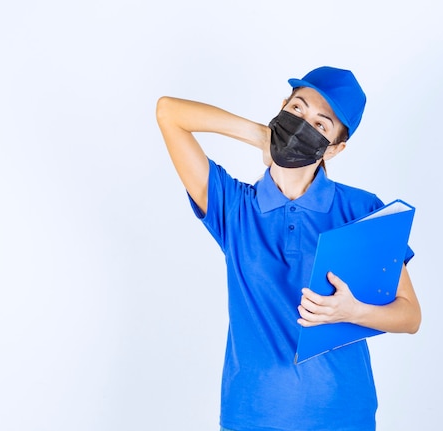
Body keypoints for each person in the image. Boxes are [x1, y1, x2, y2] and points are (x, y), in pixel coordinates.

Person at [156, 66, 421, 431]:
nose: (302, 124)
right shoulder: (233, 207)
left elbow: (409, 316)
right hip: (252, 416)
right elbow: (169, 112)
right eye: (297, 109)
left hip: (343, 415)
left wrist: (352, 310)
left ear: (335, 148)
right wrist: (263, 138)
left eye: (320, 124)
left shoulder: (363, 210)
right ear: (281, 108)